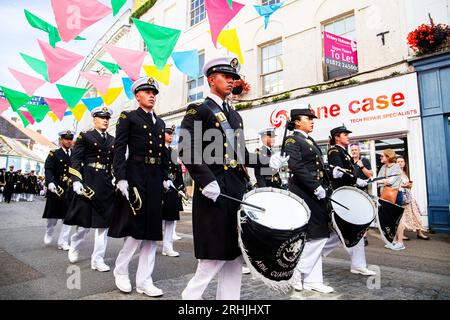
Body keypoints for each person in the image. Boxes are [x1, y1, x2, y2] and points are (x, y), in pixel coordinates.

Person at [179, 56, 273, 300]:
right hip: (214, 189)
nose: (232, 81)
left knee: (235, 254)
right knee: (213, 256)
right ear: (211, 80)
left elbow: (240, 152)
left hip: (235, 189)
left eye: (233, 78)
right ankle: (189, 298)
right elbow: (186, 147)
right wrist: (204, 180)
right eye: (226, 77)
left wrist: (265, 160)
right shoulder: (199, 110)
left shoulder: (235, 115)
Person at [108, 76, 170, 297]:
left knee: (152, 233)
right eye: (147, 92)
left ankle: (144, 280)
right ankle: (121, 270)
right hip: (135, 178)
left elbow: (162, 153)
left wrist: (166, 176)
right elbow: (119, 149)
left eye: (154, 92)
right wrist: (121, 178)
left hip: (154, 180)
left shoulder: (160, 123)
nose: (152, 95)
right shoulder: (129, 117)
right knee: (135, 231)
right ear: (137, 95)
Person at [64, 106, 115, 272]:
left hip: (106, 184)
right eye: (102, 117)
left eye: (107, 117)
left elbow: (115, 162)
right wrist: (76, 180)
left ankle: (97, 259)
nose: (105, 120)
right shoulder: (85, 136)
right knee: (84, 224)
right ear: (94, 120)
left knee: (103, 225)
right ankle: (75, 245)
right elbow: (76, 160)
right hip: (88, 181)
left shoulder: (112, 140)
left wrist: (115, 177)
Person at [325, 126, 376, 277]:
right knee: (338, 234)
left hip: (349, 197)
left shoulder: (343, 152)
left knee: (355, 231)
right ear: (336, 137)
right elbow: (340, 172)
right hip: (343, 198)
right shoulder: (334, 151)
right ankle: (311, 257)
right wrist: (357, 179)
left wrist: (357, 181)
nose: (348, 137)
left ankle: (358, 265)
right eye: (345, 134)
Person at [42, 130, 74, 250]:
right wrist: (50, 182)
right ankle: (49, 231)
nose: (68, 141)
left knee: (68, 216)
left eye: (70, 139)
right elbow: (48, 169)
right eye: (66, 139)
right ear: (61, 140)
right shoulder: (54, 153)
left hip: (70, 188)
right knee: (53, 217)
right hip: (56, 187)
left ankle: (63, 241)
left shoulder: (75, 153)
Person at [161, 125, 185, 257]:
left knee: (171, 219)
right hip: (161, 187)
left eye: (172, 134)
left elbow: (178, 170)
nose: (171, 136)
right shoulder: (158, 149)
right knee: (155, 218)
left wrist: (181, 185)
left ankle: (167, 246)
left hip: (172, 188)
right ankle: (147, 246)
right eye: (168, 133)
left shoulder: (173, 151)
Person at [396, 156, 430, 241]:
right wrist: (405, 185)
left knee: (416, 214)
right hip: (402, 197)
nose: (400, 163)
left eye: (401, 161)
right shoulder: (395, 172)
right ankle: (401, 234)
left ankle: (419, 232)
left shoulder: (404, 172)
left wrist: (409, 185)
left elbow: (407, 185)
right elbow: (394, 185)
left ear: (404, 163)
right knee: (403, 216)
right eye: (398, 161)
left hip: (409, 196)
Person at [377, 149, 403, 250]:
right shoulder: (383, 167)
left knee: (398, 218)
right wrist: (384, 181)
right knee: (390, 219)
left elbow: (391, 182)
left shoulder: (396, 167)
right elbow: (378, 181)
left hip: (395, 194)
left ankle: (400, 242)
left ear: (388, 157)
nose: (381, 158)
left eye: (382, 156)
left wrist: (383, 181)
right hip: (385, 195)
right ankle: (394, 241)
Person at [350, 143, 373, 246]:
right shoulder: (349, 161)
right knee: (353, 214)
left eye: (355, 150)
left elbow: (370, 175)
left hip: (362, 191)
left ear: (359, 151)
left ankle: (364, 236)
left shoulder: (365, 160)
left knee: (363, 214)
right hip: (351, 191)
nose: (354, 151)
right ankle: (354, 235)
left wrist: (362, 166)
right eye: (352, 150)